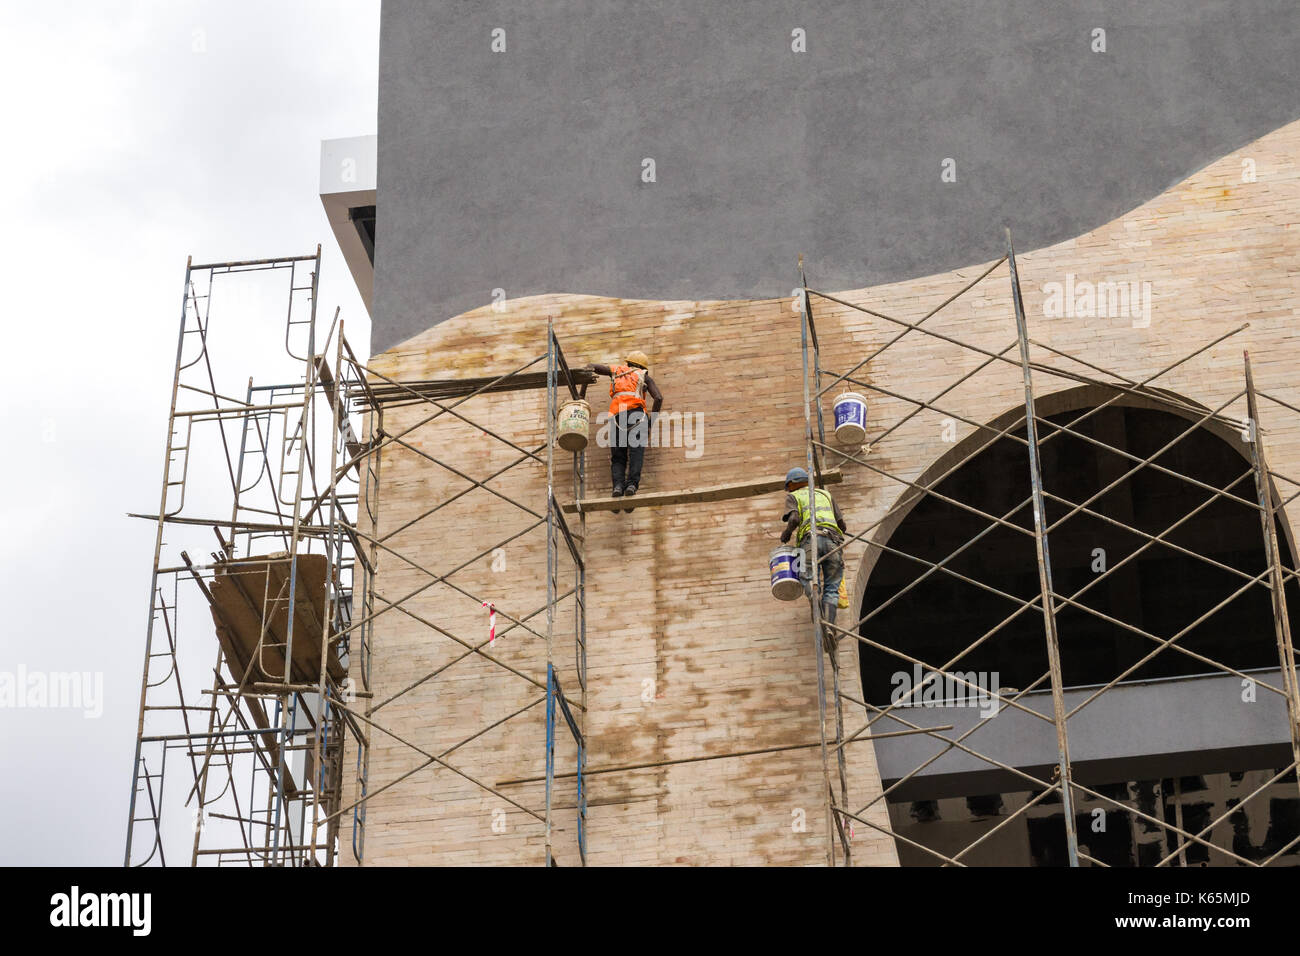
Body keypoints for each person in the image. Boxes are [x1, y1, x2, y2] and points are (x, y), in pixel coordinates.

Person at [591, 351, 663, 509]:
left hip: (617, 417)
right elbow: (658, 397)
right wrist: (650, 422)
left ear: (628, 363)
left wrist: (583, 386)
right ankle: (631, 486)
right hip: (637, 416)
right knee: (636, 452)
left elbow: (594, 367)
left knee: (618, 456)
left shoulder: (616, 370)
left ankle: (617, 486)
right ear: (642, 366)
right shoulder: (644, 375)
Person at [780, 466, 848, 629]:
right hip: (833, 542)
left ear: (790, 484)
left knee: (808, 577)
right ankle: (830, 626)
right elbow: (842, 525)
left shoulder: (793, 496)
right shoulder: (826, 494)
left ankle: (817, 609)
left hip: (810, 541)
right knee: (832, 587)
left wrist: (787, 533)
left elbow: (794, 518)